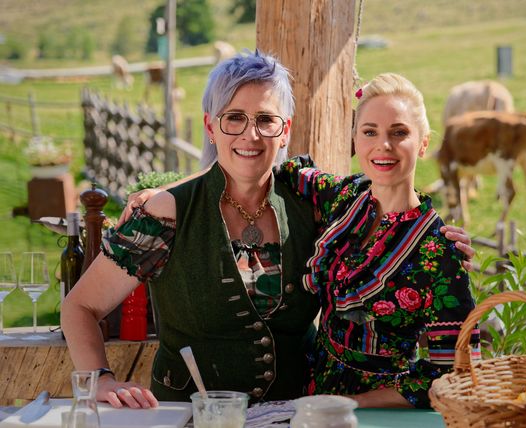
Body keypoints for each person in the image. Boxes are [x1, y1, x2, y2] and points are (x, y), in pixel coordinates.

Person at [68, 51, 475, 410]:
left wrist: (437, 242)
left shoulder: (311, 201)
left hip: (300, 412)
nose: (251, 134)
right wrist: (99, 379)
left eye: (265, 119)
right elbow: (79, 307)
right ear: (210, 126)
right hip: (194, 416)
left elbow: (389, 197)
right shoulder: (166, 214)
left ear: (285, 130)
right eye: (234, 118)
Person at [274, 73, 480, 408]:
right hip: (312, 396)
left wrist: (355, 401)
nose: (384, 145)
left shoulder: (439, 252)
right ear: (355, 139)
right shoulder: (345, 196)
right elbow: (281, 172)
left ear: (423, 143)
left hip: (382, 411)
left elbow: (457, 372)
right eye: (370, 132)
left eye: (399, 132)